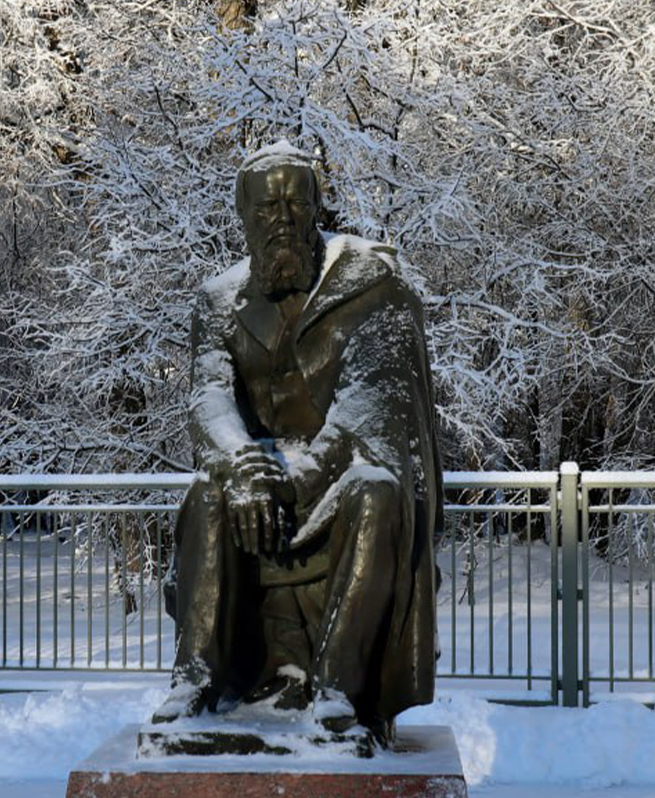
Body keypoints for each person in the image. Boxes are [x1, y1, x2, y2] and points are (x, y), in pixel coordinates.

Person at [154, 141, 444, 747]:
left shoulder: (371, 283)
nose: (281, 220)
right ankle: (195, 683)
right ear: (243, 217)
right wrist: (239, 465)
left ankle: (336, 690)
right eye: (266, 208)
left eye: (295, 203)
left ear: (317, 210)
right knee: (209, 491)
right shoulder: (218, 301)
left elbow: (370, 403)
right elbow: (207, 396)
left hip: (334, 480)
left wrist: (296, 476)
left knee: (378, 492)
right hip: (256, 483)